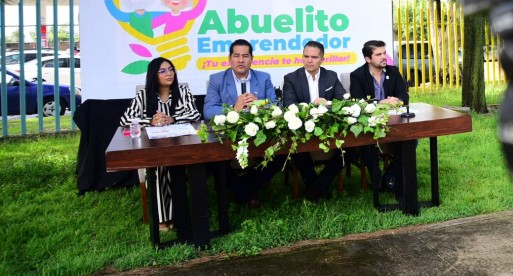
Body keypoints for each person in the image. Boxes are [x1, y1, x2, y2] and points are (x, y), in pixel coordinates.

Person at [204, 39, 297, 208]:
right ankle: (246, 193)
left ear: (251, 59)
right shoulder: (217, 79)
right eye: (236, 56)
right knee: (213, 158)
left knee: (281, 152)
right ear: (229, 59)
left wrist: (259, 105)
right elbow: (208, 111)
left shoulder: (263, 78)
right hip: (229, 135)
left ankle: (240, 189)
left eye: (245, 56)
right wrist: (234, 108)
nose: (241, 60)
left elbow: (276, 107)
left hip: (259, 134)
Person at [119, 56, 201, 231]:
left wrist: (172, 119)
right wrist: (150, 121)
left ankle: (172, 216)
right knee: (160, 164)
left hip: (180, 145)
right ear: (153, 75)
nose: (169, 74)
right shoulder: (143, 95)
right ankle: (165, 218)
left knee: (169, 163)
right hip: (155, 147)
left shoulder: (182, 91)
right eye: (162, 71)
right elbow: (125, 120)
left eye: (171, 70)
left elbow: (195, 114)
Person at [282, 40, 347, 201]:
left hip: (329, 127)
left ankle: (317, 186)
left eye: (314, 57)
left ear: (322, 59)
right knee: (298, 147)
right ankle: (316, 186)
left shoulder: (330, 76)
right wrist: (312, 106)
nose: (309, 60)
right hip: (303, 129)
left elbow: (343, 102)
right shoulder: (291, 78)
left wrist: (327, 104)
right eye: (306, 56)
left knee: (350, 148)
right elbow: (289, 106)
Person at [348, 40, 410, 195]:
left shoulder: (393, 71)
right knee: (367, 142)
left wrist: (397, 100)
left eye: (384, 53)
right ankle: (377, 178)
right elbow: (358, 102)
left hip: (394, 122)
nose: (384, 57)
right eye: (378, 54)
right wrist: (380, 103)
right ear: (368, 59)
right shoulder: (357, 75)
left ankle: (389, 176)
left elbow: (404, 96)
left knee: (411, 140)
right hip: (370, 123)